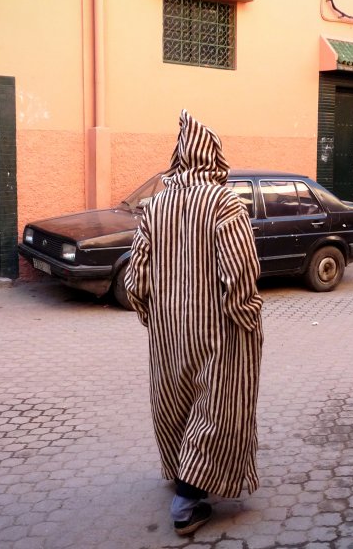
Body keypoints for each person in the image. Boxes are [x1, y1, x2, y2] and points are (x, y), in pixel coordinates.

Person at [125, 109, 264, 536]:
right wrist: (248, 317)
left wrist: (152, 316)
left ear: (180, 158)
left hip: (168, 329)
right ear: (215, 157)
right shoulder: (224, 203)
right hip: (219, 328)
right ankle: (188, 499)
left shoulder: (154, 206)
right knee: (220, 405)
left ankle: (183, 472)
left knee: (177, 399)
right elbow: (239, 271)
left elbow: (135, 277)